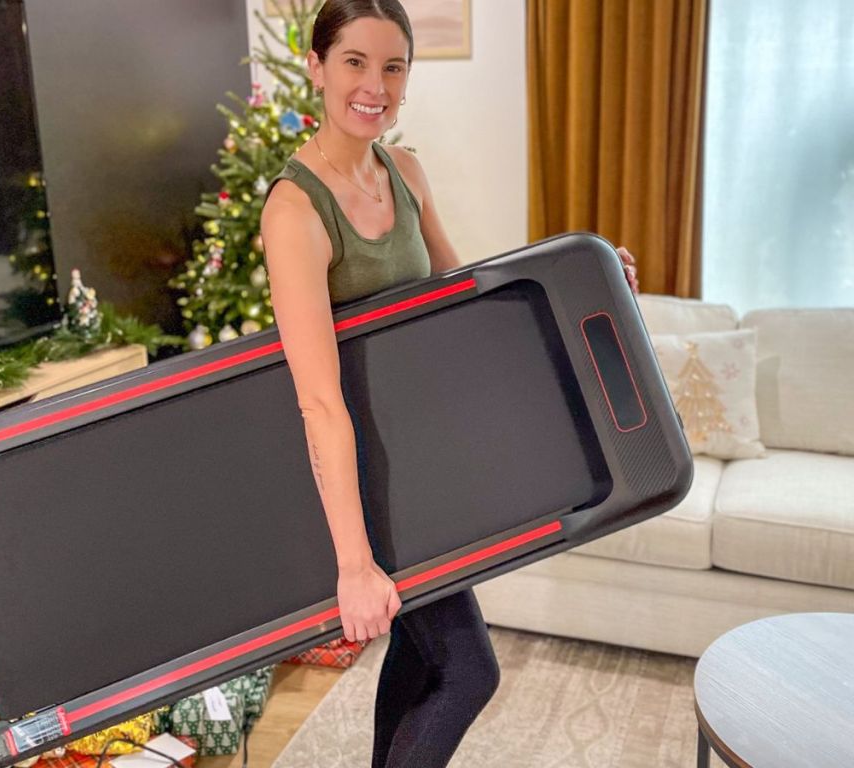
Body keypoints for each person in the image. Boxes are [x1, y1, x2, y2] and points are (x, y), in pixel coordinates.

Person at [260, 2, 638, 765]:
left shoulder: (405, 172)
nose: (375, 85)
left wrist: (593, 284)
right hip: (365, 480)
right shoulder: (295, 209)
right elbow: (318, 399)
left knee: (425, 658)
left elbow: (465, 303)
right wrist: (355, 565)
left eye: (393, 66)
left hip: (424, 468)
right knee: (469, 670)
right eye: (354, 63)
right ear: (316, 67)